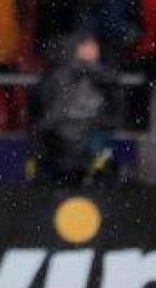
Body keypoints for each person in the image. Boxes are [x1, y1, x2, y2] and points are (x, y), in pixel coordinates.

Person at [30, 33, 125, 186]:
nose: (93, 50)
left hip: (84, 139)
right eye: (87, 45)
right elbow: (47, 110)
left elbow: (115, 108)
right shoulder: (59, 76)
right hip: (61, 142)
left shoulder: (104, 78)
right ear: (76, 48)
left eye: (94, 46)